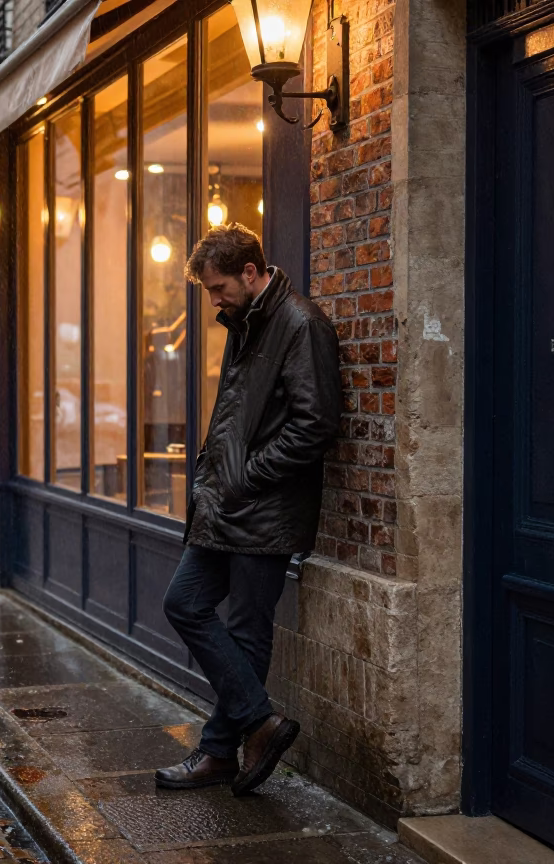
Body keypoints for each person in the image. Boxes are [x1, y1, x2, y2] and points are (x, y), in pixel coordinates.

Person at [156, 224, 340, 796]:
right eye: (209, 290)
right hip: (228, 506)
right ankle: (257, 725)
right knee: (183, 603)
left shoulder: (300, 324)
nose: (214, 300)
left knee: (247, 629)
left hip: (265, 508)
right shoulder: (247, 323)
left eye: (218, 288)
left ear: (251, 274)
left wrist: (246, 479)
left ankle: (218, 753)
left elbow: (316, 425)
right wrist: (223, 483)